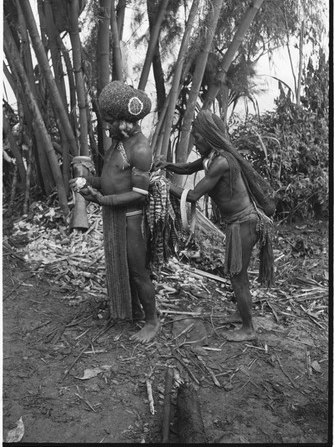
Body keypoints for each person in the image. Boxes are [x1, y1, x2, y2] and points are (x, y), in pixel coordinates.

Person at [155, 110, 275, 342]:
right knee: (236, 275)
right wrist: (168, 164)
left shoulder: (221, 162)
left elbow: (193, 195)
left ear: (209, 137)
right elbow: (189, 168)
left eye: (198, 138)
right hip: (237, 223)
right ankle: (243, 315)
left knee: (237, 276)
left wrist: (162, 183)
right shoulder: (212, 156)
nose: (195, 142)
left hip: (244, 223)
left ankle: (249, 328)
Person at [70, 81, 160, 344]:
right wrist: (87, 183)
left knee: (138, 273)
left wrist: (102, 200)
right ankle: (131, 310)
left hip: (132, 221)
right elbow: (110, 181)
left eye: (109, 121)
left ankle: (152, 322)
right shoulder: (118, 144)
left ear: (124, 121)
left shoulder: (140, 149)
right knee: (125, 268)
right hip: (116, 217)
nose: (106, 126)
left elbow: (138, 195)